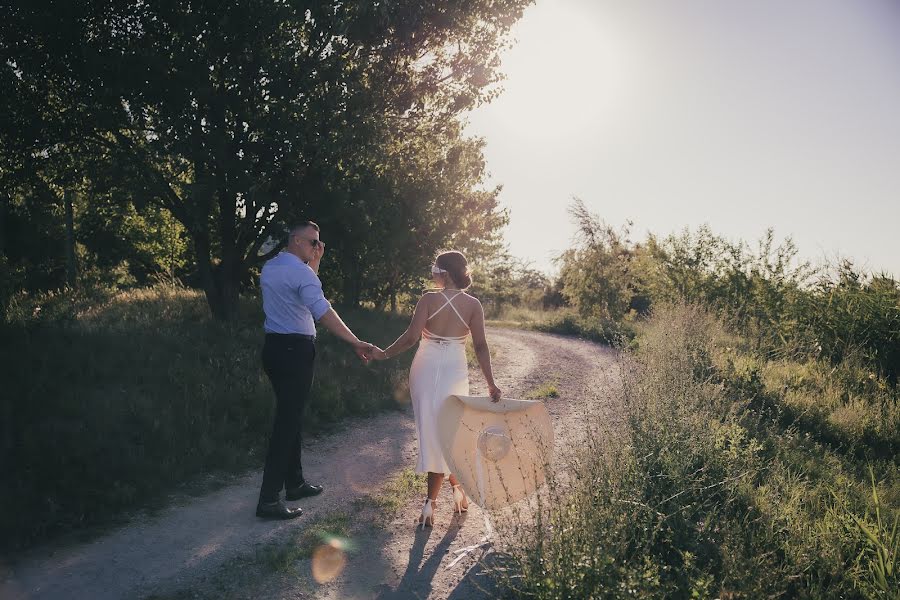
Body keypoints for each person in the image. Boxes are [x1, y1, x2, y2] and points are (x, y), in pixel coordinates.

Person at [367, 250, 502, 528]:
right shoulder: (473, 304)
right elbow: (480, 346)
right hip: (454, 366)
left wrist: (382, 354)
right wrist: (491, 383)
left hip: (426, 366)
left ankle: (432, 502)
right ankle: (453, 491)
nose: (432, 271)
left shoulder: (429, 299)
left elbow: (410, 338)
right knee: (449, 431)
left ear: (445, 273)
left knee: (430, 429)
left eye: (434, 267)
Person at [256, 221, 373, 520]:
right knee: (287, 422)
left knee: (290, 414)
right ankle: (268, 499)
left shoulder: (271, 267)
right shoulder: (300, 272)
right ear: (295, 240)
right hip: (295, 351)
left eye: (319, 244)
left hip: (273, 349)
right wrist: (355, 341)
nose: (316, 247)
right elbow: (320, 310)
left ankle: (294, 483)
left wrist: (315, 263)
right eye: (312, 243)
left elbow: (302, 297)